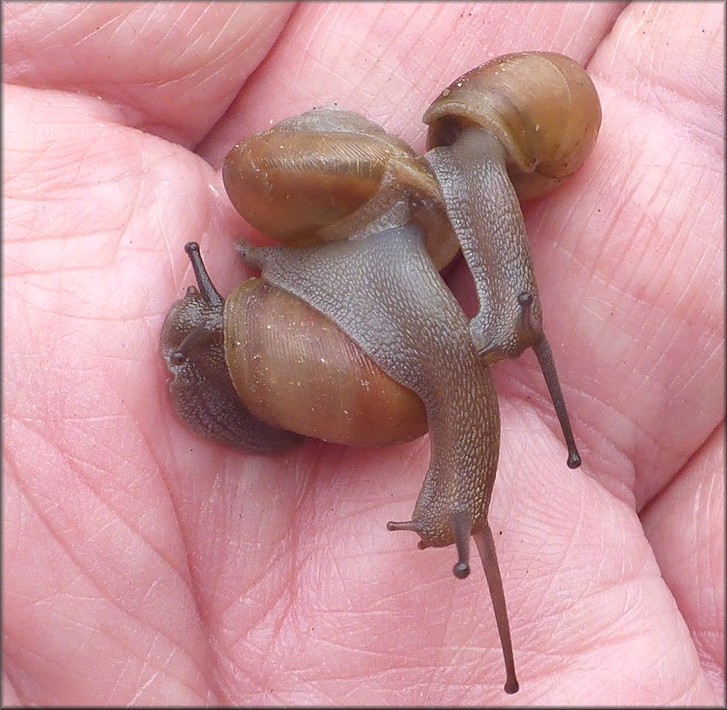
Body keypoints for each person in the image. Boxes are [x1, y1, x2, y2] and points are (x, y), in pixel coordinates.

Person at [3, 2, 723, 704]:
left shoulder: (453, 179)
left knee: (428, 360)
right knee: (424, 354)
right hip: (365, 227)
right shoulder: (395, 199)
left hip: (373, 236)